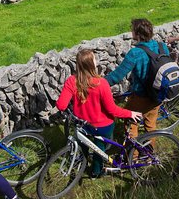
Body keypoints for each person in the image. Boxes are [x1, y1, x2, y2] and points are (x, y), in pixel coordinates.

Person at [56, 49, 142, 177]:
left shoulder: (71, 81)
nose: (96, 60)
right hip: (102, 126)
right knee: (99, 149)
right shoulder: (102, 84)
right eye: (95, 59)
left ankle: (81, 162)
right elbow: (112, 109)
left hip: (82, 123)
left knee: (82, 145)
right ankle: (96, 172)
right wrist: (130, 113)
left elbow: (61, 105)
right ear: (92, 64)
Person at [105, 18, 170, 139]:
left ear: (138, 34)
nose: (131, 33)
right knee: (150, 124)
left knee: (130, 122)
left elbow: (118, 75)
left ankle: (132, 156)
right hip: (158, 93)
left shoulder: (135, 53)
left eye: (133, 30)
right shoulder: (162, 46)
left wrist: (99, 82)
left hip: (142, 96)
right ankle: (149, 155)